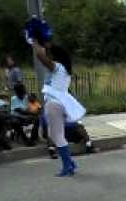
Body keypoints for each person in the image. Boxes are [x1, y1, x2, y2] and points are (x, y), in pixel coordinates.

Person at [31, 39, 86, 176]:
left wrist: (36, 42)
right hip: (58, 104)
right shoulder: (63, 69)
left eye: (50, 53)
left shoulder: (57, 67)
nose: (48, 55)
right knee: (53, 135)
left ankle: (68, 166)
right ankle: (69, 163)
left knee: (57, 136)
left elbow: (40, 56)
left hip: (54, 104)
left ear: (55, 56)